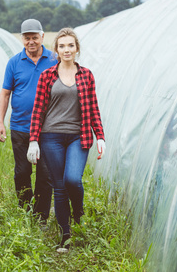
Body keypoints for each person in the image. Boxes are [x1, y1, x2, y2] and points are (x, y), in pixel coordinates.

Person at [27, 27, 106, 253]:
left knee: (73, 179)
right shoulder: (47, 76)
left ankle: (78, 211)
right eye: (62, 46)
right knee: (59, 187)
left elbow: (93, 108)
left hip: (78, 136)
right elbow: (39, 110)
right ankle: (65, 236)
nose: (66, 50)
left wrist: (99, 135)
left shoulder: (86, 75)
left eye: (70, 45)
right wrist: (34, 140)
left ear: (77, 48)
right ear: (57, 50)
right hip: (51, 137)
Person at [0, 19, 57, 223]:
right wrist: (0, 122)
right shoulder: (14, 62)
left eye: (34, 37)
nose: (31, 42)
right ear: (22, 39)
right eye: (27, 38)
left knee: (45, 174)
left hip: (47, 129)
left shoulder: (54, 59)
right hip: (21, 127)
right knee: (22, 172)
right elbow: (5, 94)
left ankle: (41, 218)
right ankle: (26, 211)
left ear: (42, 36)